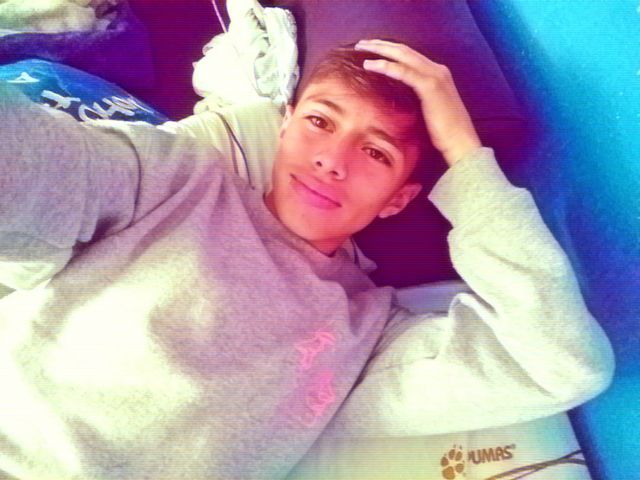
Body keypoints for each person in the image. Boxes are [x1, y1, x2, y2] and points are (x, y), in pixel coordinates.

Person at [0, 40, 613, 479]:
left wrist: (465, 155)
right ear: (285, 125)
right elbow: (28, 166)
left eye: (376, 153)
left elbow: (563, 363)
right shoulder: (173, 180)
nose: (331, 160)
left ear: (399, 200)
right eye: (320, 121)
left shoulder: (365, 337)